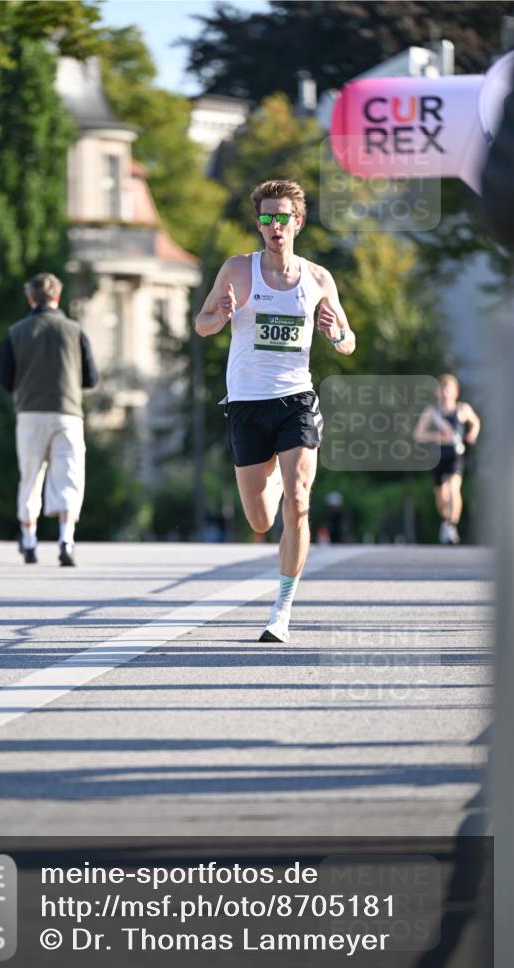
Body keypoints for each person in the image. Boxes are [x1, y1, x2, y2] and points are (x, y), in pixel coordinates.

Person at [194, 179, 356, 642]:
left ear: (297, 222)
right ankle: (275, 483)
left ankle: (281, 610)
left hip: (296, 400)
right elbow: (201, 325)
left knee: (299, 502)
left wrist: (335, 333)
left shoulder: (318, 279)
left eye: (282, 217)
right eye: (266, 218)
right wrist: (220, 315)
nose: (274, 226)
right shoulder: (237, 270)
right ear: (259, 224)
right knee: (261, 521)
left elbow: (348, 342)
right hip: (246, 404)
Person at [0, 273, 98, 565]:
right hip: (68, 413)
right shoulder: (75, 331)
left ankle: (29, 541)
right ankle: (66, 539)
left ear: (31, 298)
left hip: (30, 414)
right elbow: (91, 378)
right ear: (58, 297)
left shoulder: (16, 332)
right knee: (69, 476)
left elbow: (4, 379)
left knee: (30, 477)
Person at [413, 373, 480, 544]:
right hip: (437, 457)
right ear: (437, 392)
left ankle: (452, 525)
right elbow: (418, 434)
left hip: (455, 455)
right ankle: (445, 522)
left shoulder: (462, 409)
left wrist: (473, 433)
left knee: (453, 489)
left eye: (448, 389)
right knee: (441, 495)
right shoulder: (432, 412)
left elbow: (475, 422)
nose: (445, 393)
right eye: (442, 389)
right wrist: (437, 437)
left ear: (456, 392)